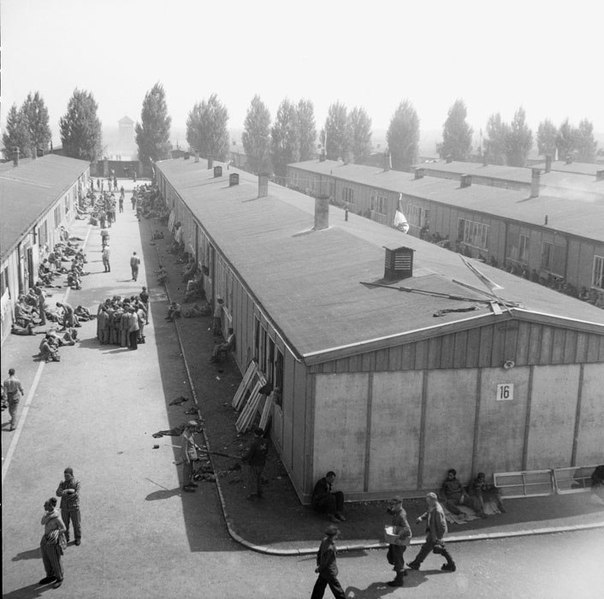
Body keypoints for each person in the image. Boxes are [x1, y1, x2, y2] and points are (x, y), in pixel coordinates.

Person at [407, 492, 456, 572]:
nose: (427, 502)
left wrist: (438, 538)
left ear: (434, 500)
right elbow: (428, 514)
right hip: (432, 533)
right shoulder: (432, 506)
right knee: (432, 549)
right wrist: (421, 518)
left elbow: (442, 526)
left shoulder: (437, 511)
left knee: (428, 548)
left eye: (429, 501)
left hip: (435, 535)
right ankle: (451, 564)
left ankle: (416, 564)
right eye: (427, 501)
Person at [310, 525, 346, 599]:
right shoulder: (330, 548)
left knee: (318, 588)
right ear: (333, 536)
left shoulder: (324, 541)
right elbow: (325, 562)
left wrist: (318, 564)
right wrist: (319, 569)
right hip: (329, 572)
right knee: (337, 590)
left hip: (324, 572)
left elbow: (319, 553)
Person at [39, 497, 67, 588]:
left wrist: (56, 533)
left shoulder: (57, 517)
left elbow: (64, 528)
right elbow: (42, 522)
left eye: (46, 505)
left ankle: (59, 578)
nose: (44, 506)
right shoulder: (48, 514)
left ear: (51, 506)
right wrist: (49, 516)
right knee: (46, 558)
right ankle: (50, 575)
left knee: (55, 560)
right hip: (45, 538)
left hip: (53, 541)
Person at [385, 496, 412, 587]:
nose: (392, 505)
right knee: (393, 557)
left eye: (393, 504)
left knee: (397, 559)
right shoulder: (398, 511)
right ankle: (402, 571)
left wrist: (399, 538)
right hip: (396, 539)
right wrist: (390, 509)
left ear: (399, 504)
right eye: (391, 504)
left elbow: (407, 529)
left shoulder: (401, 515)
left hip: (399, 541)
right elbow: (393, 512)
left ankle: (399, 580)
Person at [241, 427, 269, 499]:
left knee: (253, 479)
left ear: (255, 434)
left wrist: (244, 458)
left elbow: (250, 454)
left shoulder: (254, 443)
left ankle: (253, 494)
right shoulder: (265, 442)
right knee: (259, 478)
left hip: (255, 463)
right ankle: (260, 492)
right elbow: (266, 452)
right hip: (262, 463)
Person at [56, 467, 81, 545]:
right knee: (64, 524)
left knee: (76, 524)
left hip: (74, 507)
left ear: (71, 475)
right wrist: (66, 491)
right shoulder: (63, 483)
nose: (65, 477)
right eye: (65, 476)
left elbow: (76, 495)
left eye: (67, 476)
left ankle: (77, 538)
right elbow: (58, 493)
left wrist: (65, 493)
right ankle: (66, 538)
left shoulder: (76, 482)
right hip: (64, 508)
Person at [181, 421, 200, 492]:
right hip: (188, 457)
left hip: (192, 456)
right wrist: (186, 459)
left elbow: (192, 442)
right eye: (193, 427)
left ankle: (190, 482)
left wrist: (196, 446)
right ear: (189, 428)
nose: (195, 429)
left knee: (191, 470)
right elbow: (184, 449)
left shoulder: (191, 434)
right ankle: (185, 486)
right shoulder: (185, 436)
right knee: (186, 471)